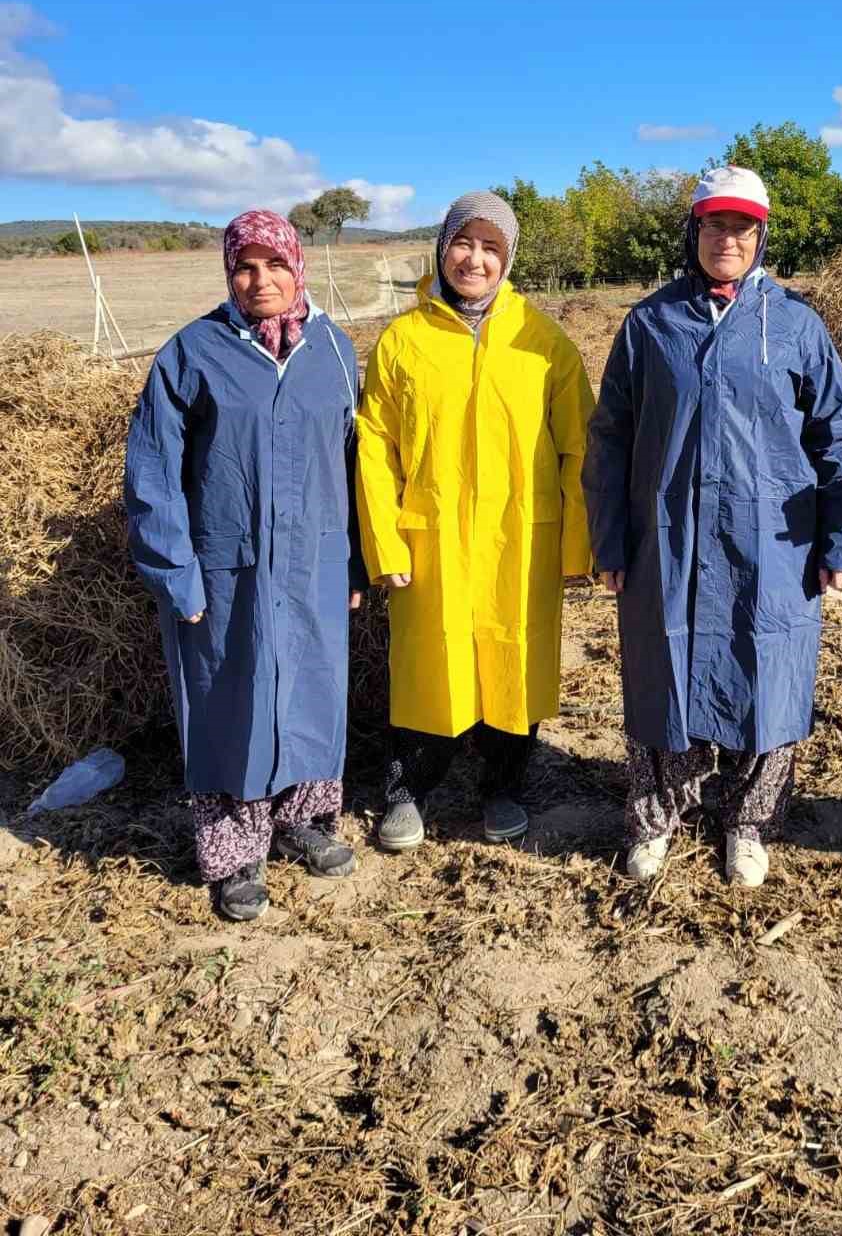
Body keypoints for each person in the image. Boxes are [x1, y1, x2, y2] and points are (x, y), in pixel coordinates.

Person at [583, 165, 842, 888]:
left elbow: (837, 437)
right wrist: (611, 540)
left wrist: (841, 540)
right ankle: (655, 818)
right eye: (715, 224)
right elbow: (611, 437)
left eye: (742, 226)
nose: (727, 239)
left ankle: (748, 823)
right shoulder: (651, 324)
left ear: (761, 235)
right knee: (661, 675)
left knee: (767, 675)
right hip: (668, 537)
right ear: (694, 231)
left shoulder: (796, 325)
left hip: (772, 541)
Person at [124, 210, 367, 923]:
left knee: (313, 693)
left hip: (316, 564)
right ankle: (235, 855)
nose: (260, 279)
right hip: (227, 571)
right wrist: (176, 572)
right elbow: (153, 473)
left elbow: (355, 468)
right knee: (230, 702)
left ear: (300, 266)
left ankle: (304, 822)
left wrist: (354, 560)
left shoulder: (334, 350)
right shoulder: (192, 353)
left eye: (274, 264)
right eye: (244, 265)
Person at [355, 191, 595, 849]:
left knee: (512, 663)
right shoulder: (402, 342)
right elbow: (375, 450)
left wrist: (576, 548)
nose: (476, 259)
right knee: (430, 666)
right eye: (465, 242)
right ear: (442, 247)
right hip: (431, 540)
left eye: (492, 247)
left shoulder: (543, 341)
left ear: (510, 257)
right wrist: (385, 545)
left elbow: (581, 446)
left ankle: (504, 787)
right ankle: (410, 792)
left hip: (520, 542)